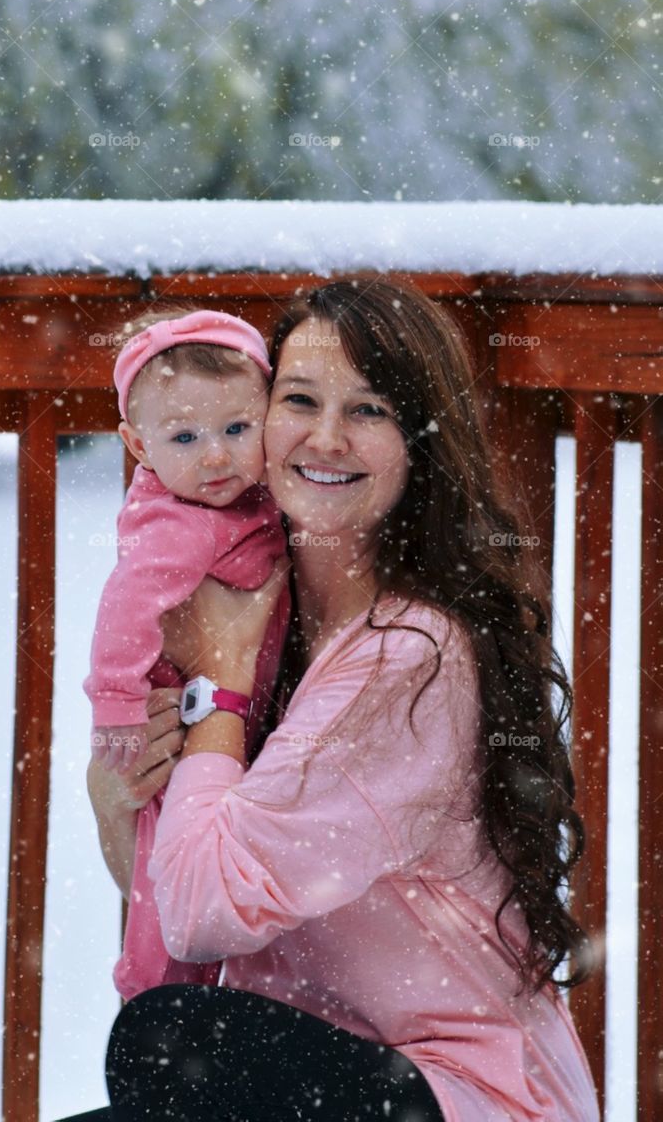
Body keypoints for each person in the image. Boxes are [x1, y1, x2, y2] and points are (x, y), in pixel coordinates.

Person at [76, 280, 600, 1122]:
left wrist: (220, 677)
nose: (325, 437)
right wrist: (114, 806)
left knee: (169, 1040)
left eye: (369, 410)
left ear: (420, 444)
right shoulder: (269, 610)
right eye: (300, 400)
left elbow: (201, 914)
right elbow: (173, 889)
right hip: (320, 1071)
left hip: (459, 1095)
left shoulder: (406, 656)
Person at [82, 306, 290, 997]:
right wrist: (114, 703)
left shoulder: (243, 499)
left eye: (238, 428)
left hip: (227, 725)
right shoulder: (178, 524)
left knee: (184, 871)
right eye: (185, 436)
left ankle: (191, 995)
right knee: (163, 878)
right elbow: (125, 606)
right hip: (174, 733)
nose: (215, 456)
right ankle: (154, 990)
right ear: (138, 447)